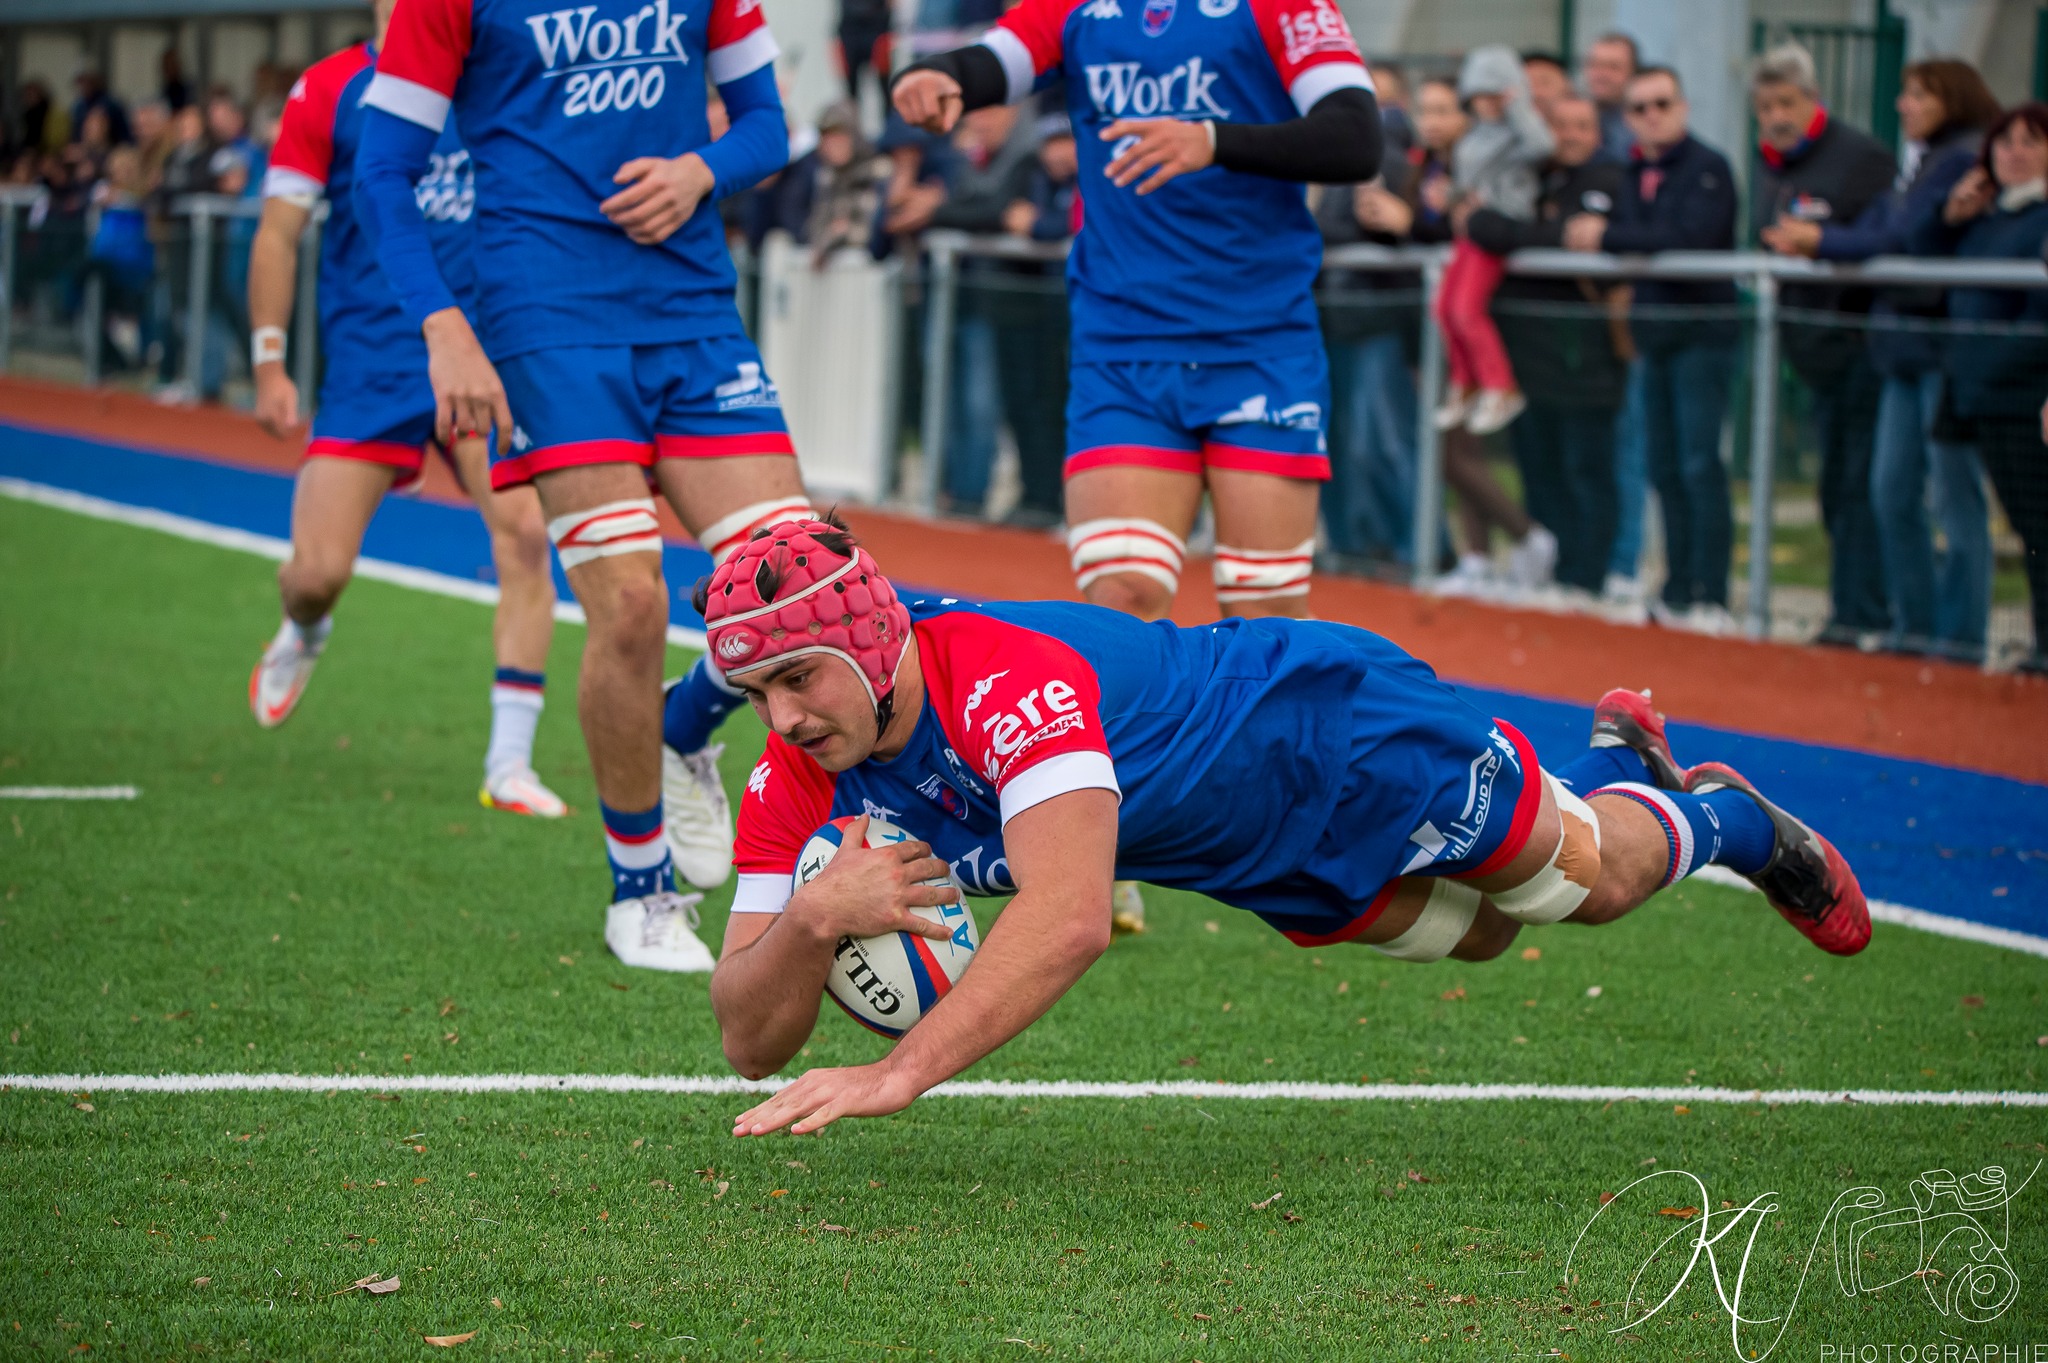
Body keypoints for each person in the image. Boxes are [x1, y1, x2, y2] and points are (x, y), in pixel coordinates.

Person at [694, 518, 1870, 1133]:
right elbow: (749, 1038)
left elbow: (1064, 920)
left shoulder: (1003, 681)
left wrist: (901, 1075)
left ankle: (1731, 823)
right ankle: (1612, 758)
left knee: (1575, 886)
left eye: (800, 678)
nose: (784, 718)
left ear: (870, 640)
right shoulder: (798, 774)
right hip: (1238, 853)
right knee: (1482, 938)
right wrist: (808, 921)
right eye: (758, 696)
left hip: (1335, 735)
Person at [356, 0, 824, 971]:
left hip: (691, 311)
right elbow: (381, 170)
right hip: (543, 317)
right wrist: (445, 328)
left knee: (805, 583)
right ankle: (640, 892)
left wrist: (702, 168)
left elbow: (769, 127)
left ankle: (682, 721)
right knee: (629, 606)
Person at [890, 0, 1382, 624]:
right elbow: (993, 61)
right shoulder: (1076, 9)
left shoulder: (1283, 6)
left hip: (1261, 344)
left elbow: (1357, 136)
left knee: (1266, 614)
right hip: (1123, 347)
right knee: (1125, 601)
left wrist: (1213, 140)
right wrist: (939, 75)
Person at [245, 5, 569, 829]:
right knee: (316, 574)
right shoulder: (328, 88)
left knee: (527, 536)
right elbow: (279, 235)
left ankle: (508, 763)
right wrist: (270, 360)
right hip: (373, 362)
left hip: (477, 362)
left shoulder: (502, 66)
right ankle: (301, 628)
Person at [1762, 59, 2002, 661]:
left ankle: (1959, 640)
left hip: (1940, 349)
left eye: (1917, 94)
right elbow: (1894, 227)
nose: (1903, 104)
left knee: (1951, 498)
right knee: (1890, 492)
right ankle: (1913, 631)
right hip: (1898, 347)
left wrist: (1822, 242)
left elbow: (1898, 237)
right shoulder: (1923, 161)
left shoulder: (1962, 156)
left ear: (1951, 96)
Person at [1565, 66, 1741, 635]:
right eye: (1638, 108)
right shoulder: (1634, 168)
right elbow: (1641, 234)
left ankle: (1710, 593)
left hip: (1702, 335)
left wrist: (1608, 236)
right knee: (1664, 465)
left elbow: (1685, 237)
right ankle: (1676, 589)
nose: (1650, 115)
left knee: (1698, 463)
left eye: (1661, 103)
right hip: (1655, 334)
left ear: (1682, 106)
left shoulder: (1709, 168)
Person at [1749, 44, 1898, 647]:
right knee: (1833, 484)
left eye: (1786, 102)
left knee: (1863, 485)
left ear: (1812, 98)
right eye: (1765, 106)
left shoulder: (1861, 158)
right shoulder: (1774, 165)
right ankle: (1851, 609)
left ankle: (1868, 613)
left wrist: (1821, 241)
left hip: (1863, 348)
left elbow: (1887, 236)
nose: (1776, 116)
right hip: (1810, 351)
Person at [1469, 94, 1629, 599]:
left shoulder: (1609, 181)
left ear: (1597, 133)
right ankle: (1552, 573)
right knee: (1539, 467)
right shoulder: (1536, 180)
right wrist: (1520, 230)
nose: (1572, 134)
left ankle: (1587, 577)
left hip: (1587, 361)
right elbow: (1504, 229)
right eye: (1562, 124)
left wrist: (1514, 232)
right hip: (1531, 358)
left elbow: (1552, 239)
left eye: (1582, 124)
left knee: (1587, 470)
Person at [1911, 103, 2048, 675]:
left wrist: (1986, 362)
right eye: (2005, 141)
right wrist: (1949, 215)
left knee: (2038, 524)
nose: (2013, 151)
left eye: (2029, 142)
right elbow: (1922, 261)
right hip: (1972, 391)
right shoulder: (1985, 218)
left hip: (2018, 393)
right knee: (2000, 518)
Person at [1433, 44, 1551, 438]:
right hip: (1472, 230)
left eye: (1493, 95)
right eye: (1479, 96)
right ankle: (1465, 383)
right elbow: (1467, 182)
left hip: (1499, 227)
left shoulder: (1520, 131)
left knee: (1467, 309)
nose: (1486, 104)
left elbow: (1541, 146)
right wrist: (1449, 197)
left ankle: (1500, 386)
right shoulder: (1473, 138)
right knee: (1443, 307)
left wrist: (1517, 104)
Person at [1582, 32, 1638, 163]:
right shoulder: (1569, 113)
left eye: (1613, 67)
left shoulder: (1643, 123)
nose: (1601, 74)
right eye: (1594, 64)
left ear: (1633, 72)